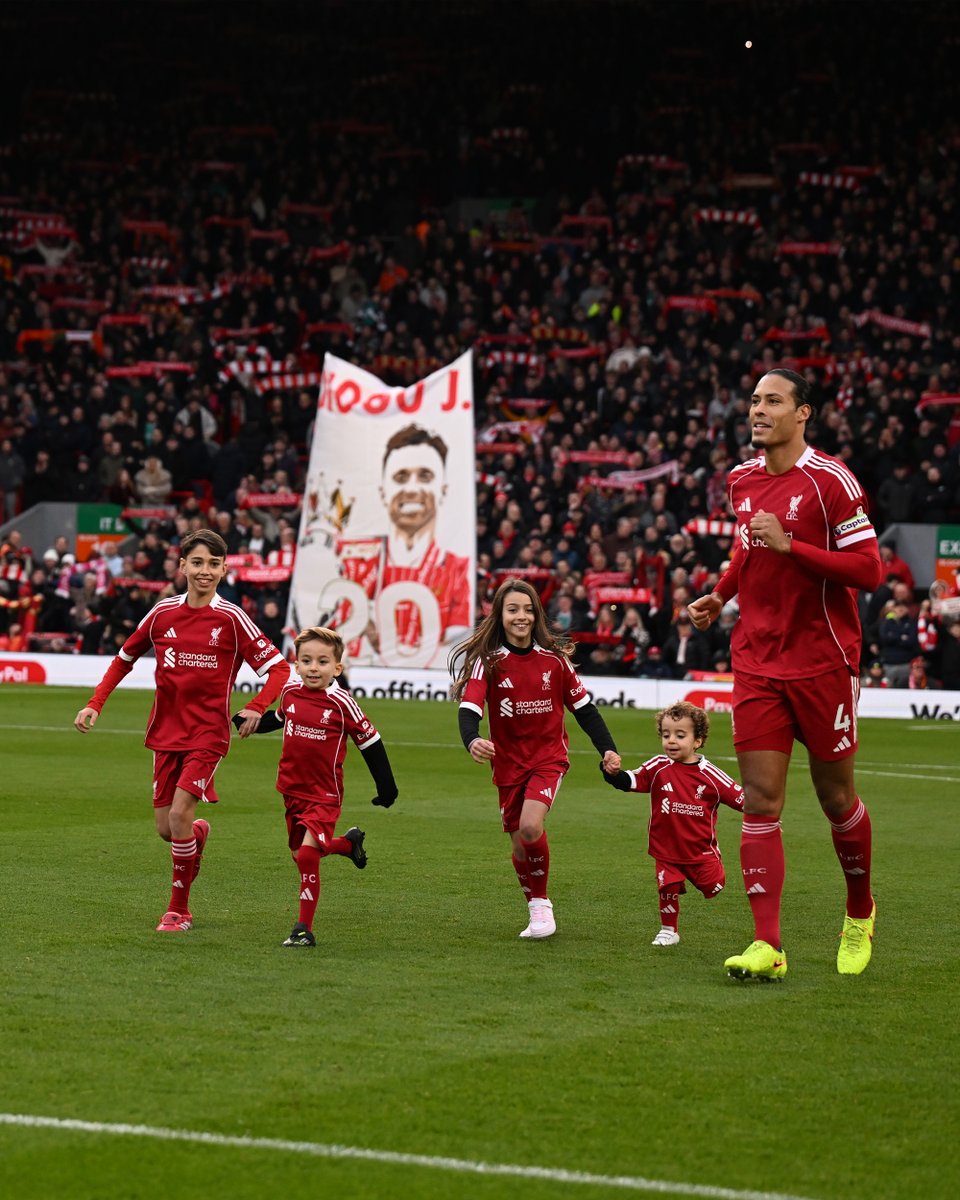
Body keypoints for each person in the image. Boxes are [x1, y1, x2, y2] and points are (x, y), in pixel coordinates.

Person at [688, 368, 883, 980]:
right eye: (753, 401)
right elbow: (747, 546)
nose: (758, 410)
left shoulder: (832, 482)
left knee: (835, 798)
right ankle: (767, 945)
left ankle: (859, 910)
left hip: (823, 660)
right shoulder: (740, 479)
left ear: (804, 414)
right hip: (756, 661)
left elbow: (870, 571)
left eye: (773, 401)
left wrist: (793, 548)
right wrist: (720, 595)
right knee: (761, 801)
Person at [73, 529, 291, 933]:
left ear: (224, 569)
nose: (204, 571)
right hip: (165, 732)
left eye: (213, 564)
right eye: (197, 563)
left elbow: (279, 668)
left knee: (177, 815)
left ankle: (179, 911)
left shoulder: (231, 618)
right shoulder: (161, 613)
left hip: (208, 734)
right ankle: (197, 836)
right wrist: (94, 703)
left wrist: (258, 706)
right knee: (167, 829)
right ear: (181, 567)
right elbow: (124, 658)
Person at [450, 577, 621, 940]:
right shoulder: (489, 662)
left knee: (530, 827)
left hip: (548, 758)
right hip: (508, 764)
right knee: (518, 844)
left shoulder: (555, 660)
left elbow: (585, 710)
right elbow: (469, 708)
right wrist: (472, 740)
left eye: (528, 610)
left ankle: (542, 905)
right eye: (513, 610)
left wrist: (607, 747)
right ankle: (534, 909)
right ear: (500, 615)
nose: (521, 616)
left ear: (537, 615)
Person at [234, 625, 398, 947]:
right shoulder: (290, 693)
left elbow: (371, 743)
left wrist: (386, 787)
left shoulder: (342, 703)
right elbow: (280, 718)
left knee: (308, 856)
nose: (313, 668)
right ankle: (348, 845)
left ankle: (302, 929)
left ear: (337, 668)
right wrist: (251, 720)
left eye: (322, 662)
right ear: (296, 665)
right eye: (306, 660)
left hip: (324, 794)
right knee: (299, 853)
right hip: (292, 789)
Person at [602, 702, 744, 946]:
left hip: (699, 850)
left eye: (680, 735)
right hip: (665, 847)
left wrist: (765, 817)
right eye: (666, 735)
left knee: (714, 886)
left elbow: (741, 798)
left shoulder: (711, 774)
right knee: (667, 887)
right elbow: (630, 781)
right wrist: (613, 773)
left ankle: (708, 871)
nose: (671, 741)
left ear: (697, 741)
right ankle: (669, 930)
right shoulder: (658, 767)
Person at [337, 424, 471, 665]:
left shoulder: (458, 571)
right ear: (383, 491)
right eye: (400, 477)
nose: (411, 488)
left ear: (443, 490)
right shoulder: (356, 565)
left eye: (425, 476)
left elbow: (455, 652)